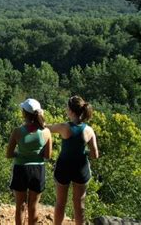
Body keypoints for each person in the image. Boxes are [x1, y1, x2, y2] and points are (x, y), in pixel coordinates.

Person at [47, 95, 99, 225]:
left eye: (66, 107)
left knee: (60, 203)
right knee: (79, 204)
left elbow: (47, 128)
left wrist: (37, 118)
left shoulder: (64, 127)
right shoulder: (89, 130)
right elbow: (95, 155)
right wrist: (83, 152)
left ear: (71, 111)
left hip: (64, 168)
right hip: (81, 169)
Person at [6, 98, 52, 225]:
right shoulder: (46, 132)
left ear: (24, 113)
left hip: (21, 169)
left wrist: (20, 154)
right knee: (33, 206)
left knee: (20, 206)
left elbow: (8, 154)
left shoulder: (17, 131)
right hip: (38, 170)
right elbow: (48, 156)